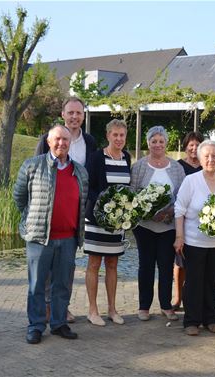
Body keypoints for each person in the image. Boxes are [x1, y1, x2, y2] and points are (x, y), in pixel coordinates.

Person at [13, 124, 88, 344]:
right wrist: (32, 220)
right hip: (39, 238)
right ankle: (36, 325)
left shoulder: (80, 171)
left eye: (65, 140)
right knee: (36, 285)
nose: (61, 143)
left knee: (62, 284)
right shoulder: (32, 166)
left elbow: (81, 203)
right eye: (57, 139)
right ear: (48, 141)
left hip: (68, 239)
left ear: (70, 143)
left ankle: (58, 324)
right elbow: (19, 198)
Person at [35, 96, 98, 323]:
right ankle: (47, 309)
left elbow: (92, 175)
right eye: (70, 113)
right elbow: (35, 175)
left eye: (78, 113)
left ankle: (63, 308)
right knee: (48, 267)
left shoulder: (90, 142)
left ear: (83, 115)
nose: (74, 117)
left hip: (78, 211)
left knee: (67, 265)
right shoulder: (48, 139)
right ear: (63, 114)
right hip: (52, 211)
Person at [174, 140, 215, 336]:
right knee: (193, 282)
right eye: (207, 156)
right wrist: (179, 236)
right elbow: (179, 209)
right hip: (193, 241)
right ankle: (191, 321)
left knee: (212, 280)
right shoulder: (191, 181)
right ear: (200, 159)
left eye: (214, 156)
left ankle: (210, 319)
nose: (211, 159)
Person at [130, 126, 186, 322]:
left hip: (168, 226)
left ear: (166, 143)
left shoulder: (177, 168)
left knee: (165, 265)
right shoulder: (139, 167)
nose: (157, 144)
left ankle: (165, 305)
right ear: (148, 143)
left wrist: (168, 212)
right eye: (154, 141)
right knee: (145, 265)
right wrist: (147, 211)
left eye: (161, 141)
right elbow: (133, 193)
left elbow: (181, 196)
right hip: (144, 226)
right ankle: (144, 306)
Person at [83, 119, 132, 326]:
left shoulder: (127, 158)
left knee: (113, 264)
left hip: (117, 221)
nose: (119, 139)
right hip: (96, 219)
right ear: (108, 136)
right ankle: (93, 310)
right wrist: (104, 204)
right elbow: (89, 186)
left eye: (122, 135)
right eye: (115, 135)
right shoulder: (95, 158)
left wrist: (122, 210)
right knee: (94, 263)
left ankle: (112, 309)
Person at [172, 131, 204, 311]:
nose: (194, 148)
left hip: (203, 220)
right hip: (182, 218)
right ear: (185, 146)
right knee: (179, 261)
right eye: (191, 144)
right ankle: (178, 297)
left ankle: (195, 297)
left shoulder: (206, 166)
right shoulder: (178, 166)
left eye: (198, 144)